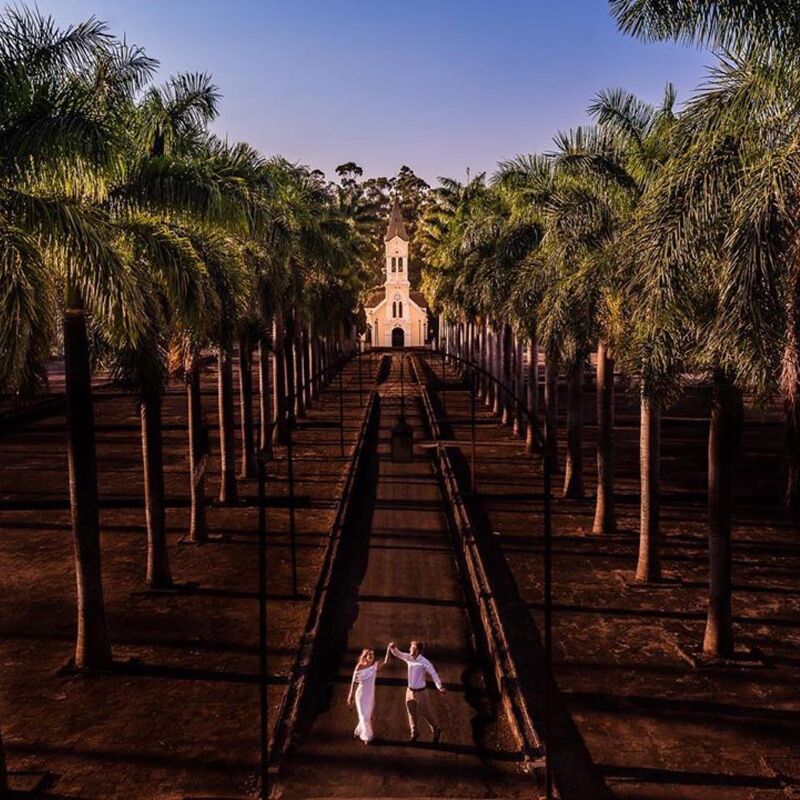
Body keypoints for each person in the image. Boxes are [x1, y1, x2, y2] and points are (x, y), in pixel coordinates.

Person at [386, 640, 447, 742]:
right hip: (409, 691)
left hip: (421, 692)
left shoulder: (424, 662)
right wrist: (393, 648)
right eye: (410, 648)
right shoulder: (409, 657)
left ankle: (436, 730)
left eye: (412, 648)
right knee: (411, 712)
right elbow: (399, 654)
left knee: (426, 712)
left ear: (418, 650)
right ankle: (414, 733)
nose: (410, 649)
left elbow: (434, 674)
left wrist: (440, 687)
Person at [347, 647, 384, 744]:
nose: (371, 656)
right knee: (363, 716)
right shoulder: (359, 666)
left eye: (372, 655)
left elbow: (386, 662)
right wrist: (350, 694)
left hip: (370, 695)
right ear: (365, 656)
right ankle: (367, 736)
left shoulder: (374, 666)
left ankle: (359, 730)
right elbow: (353, 680)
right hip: (360, 695)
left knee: (367, 716)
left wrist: (389, 651)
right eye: (369, 654)